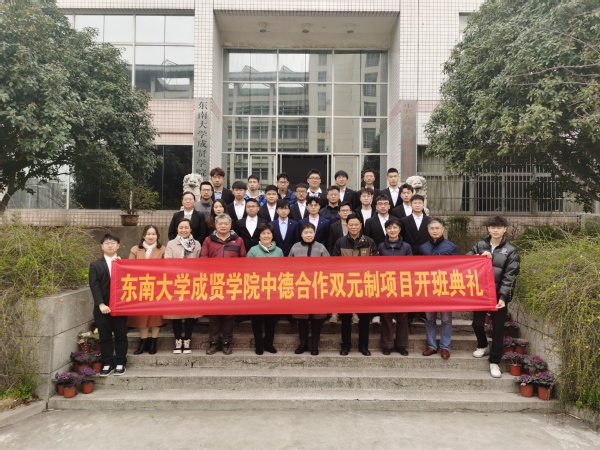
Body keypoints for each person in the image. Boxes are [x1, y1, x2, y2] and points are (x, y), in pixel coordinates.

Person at [468, 216, 520, 378]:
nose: (495, 230)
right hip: (481, 293)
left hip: (498, 295)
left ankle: (494, 361)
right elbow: (466, 261)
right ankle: (482, 345)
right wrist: (479, 256)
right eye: (492, 227)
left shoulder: (511, 250)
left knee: (498, 329)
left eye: (499, 227)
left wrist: (503, 297)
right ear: (488, 229)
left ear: (505, 229)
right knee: (477, 323)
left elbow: (510, 276)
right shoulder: (480, 245)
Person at [333, 214, 378, 356]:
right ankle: (345, 345)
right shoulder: (340, 242)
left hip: (364, 285)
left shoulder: (369, 242)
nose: (353, 227)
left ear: (360, 226)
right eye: (351, 225)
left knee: (364, 318)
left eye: (356, 225)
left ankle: (363, 346)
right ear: (347, 226)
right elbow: (334, 264)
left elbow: (376, 263)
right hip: (346, 285)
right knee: (345, 318)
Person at [202, 214, 247, 355]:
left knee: (228, 314)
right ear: (215, 225)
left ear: (230, 225)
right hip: (214, 281)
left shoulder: (238, 240)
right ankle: (214, 342)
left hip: (231, 282)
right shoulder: (208, 240)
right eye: (220, 223)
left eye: (225, 223)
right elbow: (203, 259)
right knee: (214, 314)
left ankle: (227, 341)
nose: (223, 226)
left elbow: (243, 260)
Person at [420, 218, 460, 360]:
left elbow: (457, 267)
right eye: (432, 228)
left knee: (446, 319)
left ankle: (445, 346)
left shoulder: (451, 247)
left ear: (442, 229)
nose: (435, 231)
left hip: (445, 288)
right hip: (428, 287)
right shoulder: (423, 247)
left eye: (437, 228)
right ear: (428, 230)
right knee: (429, 318)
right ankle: (431, 345)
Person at [89, 233, 128, 376]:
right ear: (102, 246)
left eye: (113, 243)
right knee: (104, 336)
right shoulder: (95, 265)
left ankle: (121, 363)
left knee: (121, 335)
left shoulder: (124, 263)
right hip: (102, 308)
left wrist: (122, 265)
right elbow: (94, 286)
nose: (110, 245)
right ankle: (107, 363)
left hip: (120, 307)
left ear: (118, 246)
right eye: (107, 243)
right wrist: (101, 304)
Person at [289, 222, 330, 355]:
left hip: (317, 287)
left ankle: (315, 344)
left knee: (316, 318)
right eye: (305, 232)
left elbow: (329, 267)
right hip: (300, 287)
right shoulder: (295, 247)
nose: (308, 235)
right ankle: (303, 343)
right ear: (301, 234)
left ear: (314, 233)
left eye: (311, 232)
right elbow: (288, 267)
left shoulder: (321, 247)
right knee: (302, 318)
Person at [164, 218, 202, 354]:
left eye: (186, 227)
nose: (183, 230)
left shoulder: (197, 244)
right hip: (176, 282)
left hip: (191, 282)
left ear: (191, 229)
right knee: (176, 313)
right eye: (181, 227)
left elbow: (200, 262)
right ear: (177, 229)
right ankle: (178, 340)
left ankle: (187, 340)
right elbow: (167, 262)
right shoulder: (171, 243)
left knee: (190, 313)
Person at [128, 225, 166, 355]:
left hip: (157, 287)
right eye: (148, 234)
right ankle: (143, 342)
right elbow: (129, 267)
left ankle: (154, 342)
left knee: (155, 316)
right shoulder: (135, 249)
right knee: (142, 316)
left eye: (153, 234)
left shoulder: (163, 249)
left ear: (157, 236)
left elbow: (166, 268)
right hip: (140, 286)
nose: (151, 236)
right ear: (144, 235)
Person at [246, 223, 284, 355]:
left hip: (272, 290)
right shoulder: (253, 251)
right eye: (263, 234)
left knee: (271, 320)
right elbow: (248, 270)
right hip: (257, 289)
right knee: (256, 319)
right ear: (259, 236)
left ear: (272, 235)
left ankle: (269, 343)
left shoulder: (279, 251)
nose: (266, 236)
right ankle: (259, 344)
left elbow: (282, 271)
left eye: (268, 233)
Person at [378, 218, 412, 356]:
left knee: (402, 316)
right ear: (386, 230)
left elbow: (410, 266)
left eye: (395, 227)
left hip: (402, 284)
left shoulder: (406, 247)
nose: (392, 230)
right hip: (385, 285)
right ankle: (387, 344)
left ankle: (401, 345)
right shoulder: (381, 247)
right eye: (389, 228)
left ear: (399, 229)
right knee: (386, 315)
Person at [400, 194, 430, 323]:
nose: (417, 205)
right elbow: (401, 238)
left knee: (423, 284)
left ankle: (423, 312)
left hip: (425, 257)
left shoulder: (429, 221)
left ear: (423, 205)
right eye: (415, 203)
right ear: (411, 205)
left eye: (420, 203)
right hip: (409, 256)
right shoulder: (404, 220)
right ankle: (410, 313)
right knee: (409, 285)